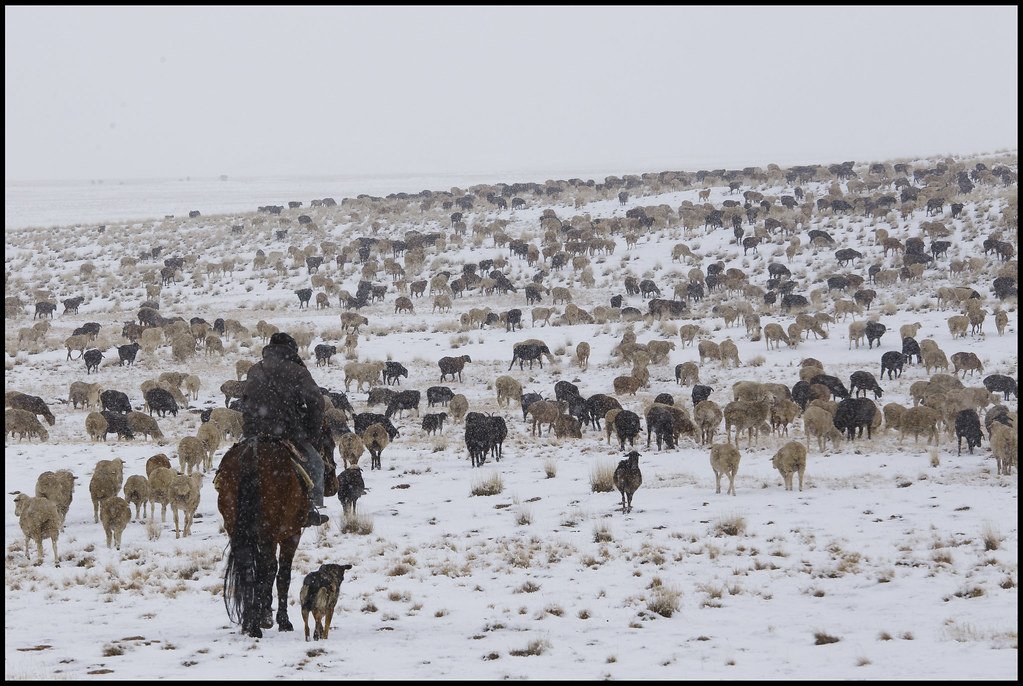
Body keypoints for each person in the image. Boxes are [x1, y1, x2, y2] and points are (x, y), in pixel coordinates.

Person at [240, 331, 328, 527]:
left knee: (235, 461)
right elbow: (316, 402)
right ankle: (309, 506)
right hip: (287, 432)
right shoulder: (297, 371)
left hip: (254, 431)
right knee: (315, 464)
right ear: (292, 350)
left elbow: (245, 400)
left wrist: (250, 425)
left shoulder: (254, 370)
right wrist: (311, 433)